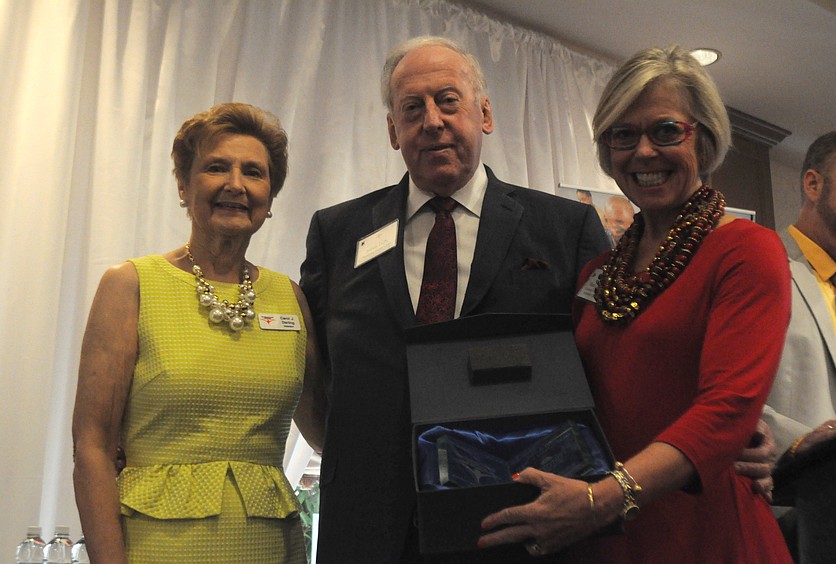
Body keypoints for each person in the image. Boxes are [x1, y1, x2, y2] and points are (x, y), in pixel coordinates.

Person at [299, 36, 610, 563]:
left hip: (519, 520)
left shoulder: (567, 228)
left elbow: (606, 366)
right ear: (393, 131)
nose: (433, 121)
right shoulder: (338, 233)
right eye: (411, 109)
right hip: (369, 530)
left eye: (449, 100)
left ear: (484, 113)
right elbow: (317, 373)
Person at [478, 45, 793, 562]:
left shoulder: (746, 251)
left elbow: (726, 409)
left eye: (666, 131)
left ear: (705, 137)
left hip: (704, 533)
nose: (643, 152)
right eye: (623, 135)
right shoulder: (599, 272)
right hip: (606, 536)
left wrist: (600, 500)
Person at [72, 102, 324, 563]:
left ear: (269, 198)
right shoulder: (130, 286)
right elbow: (92, 447)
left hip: (269, 549)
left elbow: (328, 432)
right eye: (215, 167)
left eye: (254, 172)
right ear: (184, 187)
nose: (235, 184)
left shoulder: (290, 299)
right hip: (155, 548)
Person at [762, 126, 836, 557]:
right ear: (813, 184)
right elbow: (718, 392)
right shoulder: (760, 267)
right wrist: (801, 443)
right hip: (788, 519)